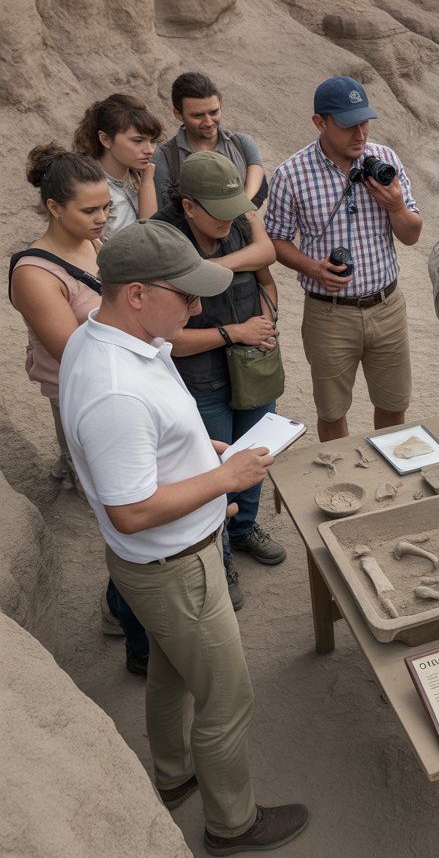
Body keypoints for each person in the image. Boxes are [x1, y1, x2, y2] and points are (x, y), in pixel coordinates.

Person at [59, 219, 309, 855]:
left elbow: (146, 455)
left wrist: (203, 453)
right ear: (137, 293)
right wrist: (224, 479)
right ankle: (233, 824)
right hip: (176, 567)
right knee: (227, 697)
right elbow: (131, 509)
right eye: (187, 295)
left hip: (155, 566)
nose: (198, 308)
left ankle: (173, 776)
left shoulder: (111, 339)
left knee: (170, 671)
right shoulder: (116, 390)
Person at [10, 144, 150, 675]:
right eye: (90, 210)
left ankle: (123, 607)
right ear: (53, 208)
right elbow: (76, 354)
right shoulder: (34, 272)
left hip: (125, 384)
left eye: (106, 207)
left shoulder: (94, 243)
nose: (103, 218)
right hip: (89, 399)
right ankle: (130, 623)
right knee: (124, 508)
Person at [154, 152, 285, 613]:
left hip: (252, 368)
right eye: (219, 212)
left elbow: (267, 276)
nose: (231, 220)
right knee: (212, 471)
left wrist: (266, 321)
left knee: (255, 455)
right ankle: (220, 556)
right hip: (202, 378)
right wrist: (236, 333)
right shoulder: (163, 240)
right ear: (189, 206)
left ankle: (243, 528)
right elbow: (169, 341)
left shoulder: (237, 221)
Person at [265, 76, 422, 442]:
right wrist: (312, 267)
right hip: (328, 314)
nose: (360, 133)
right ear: (320, 122)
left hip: (387, 306)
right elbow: (275, 239)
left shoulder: (385, 160)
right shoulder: (292, 174)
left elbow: (412, 235)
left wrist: (396, 206)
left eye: (365, 122)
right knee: (332, 412)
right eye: (349, 124)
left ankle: (391, 476)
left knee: (393, 406)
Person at [153, 71, 268, 210]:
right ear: (178, 114)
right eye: (198, 115)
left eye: (214, 112)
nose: (208, 122)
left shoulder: (242, 144)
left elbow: (256, 177)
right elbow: (164, 211)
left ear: (221, 105)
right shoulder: (164, 158)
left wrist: (238, 211)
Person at [72, 93, 162, 238]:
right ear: (105, 139)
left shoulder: (137, 176)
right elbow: (148, 237)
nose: (150, 150)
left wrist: (147, 182)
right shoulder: (88, 187)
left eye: (153, 141)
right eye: (138, 140)